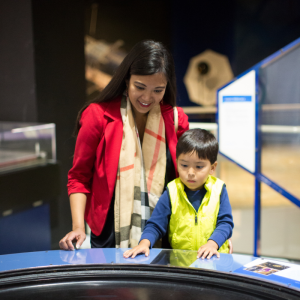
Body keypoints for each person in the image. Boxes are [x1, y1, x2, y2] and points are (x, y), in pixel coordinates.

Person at [59, 40, 189, 251]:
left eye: (158, 90)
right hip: (109, 235)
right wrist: (77, 227)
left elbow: (192, 178)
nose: (147, 97)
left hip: (164, 231)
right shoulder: (98, 116)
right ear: (126, 79)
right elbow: (79, 177)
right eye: (140, 87)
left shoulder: (175, 120)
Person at [123, 128, 234, 260]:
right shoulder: (172, 191)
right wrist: (144, 243)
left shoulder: (219, 189)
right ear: (177, 163)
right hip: (181, 263)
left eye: (199, 167)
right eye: (184, 165)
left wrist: (212, 244)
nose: (191, 172)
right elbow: (156, 224)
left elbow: (225, 223)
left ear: (212, 167)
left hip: (216, 261)